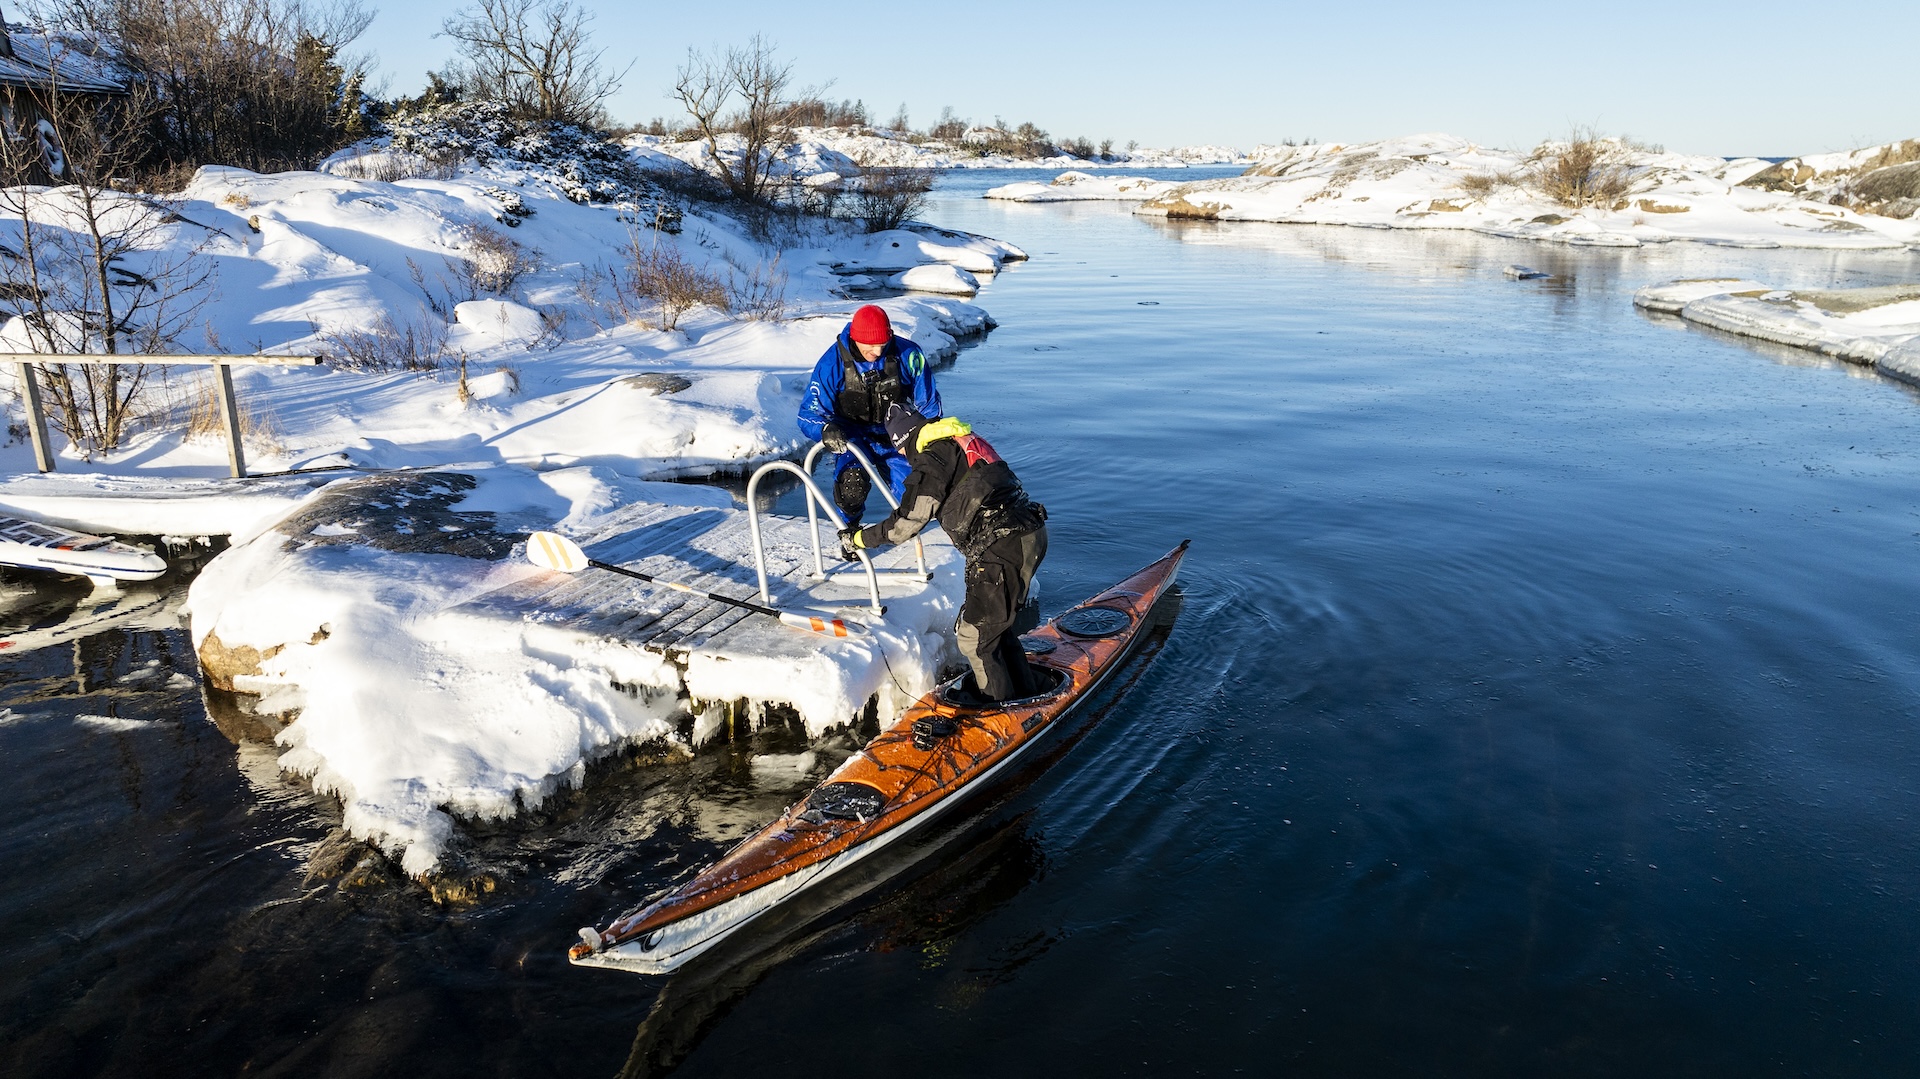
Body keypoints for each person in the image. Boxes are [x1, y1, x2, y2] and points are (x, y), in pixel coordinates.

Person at [842, 404, 1049, 703]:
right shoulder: (958, 441)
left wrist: (860, 538)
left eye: (900, 450)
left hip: (1000, 546)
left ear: (904, 442)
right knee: (996, 630)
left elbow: (906, 523)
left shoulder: (932, 459)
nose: (902, 457)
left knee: (974, 638)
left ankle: (1001, 715)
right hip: (1029, 534)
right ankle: (1025, 695)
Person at [796, 304, 941, 531]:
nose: (877, 351)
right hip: (852, 437)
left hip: (896, 434)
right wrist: (825, 429)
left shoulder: (909, 355)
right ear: (855, 339)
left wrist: (933, 440)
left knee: (919, 494)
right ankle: (850, 530)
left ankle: (909, 530)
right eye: (870, 346)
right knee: (852, 484)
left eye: (882, 345)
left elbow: (929, 406)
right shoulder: (831, 363)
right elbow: (808, 414)